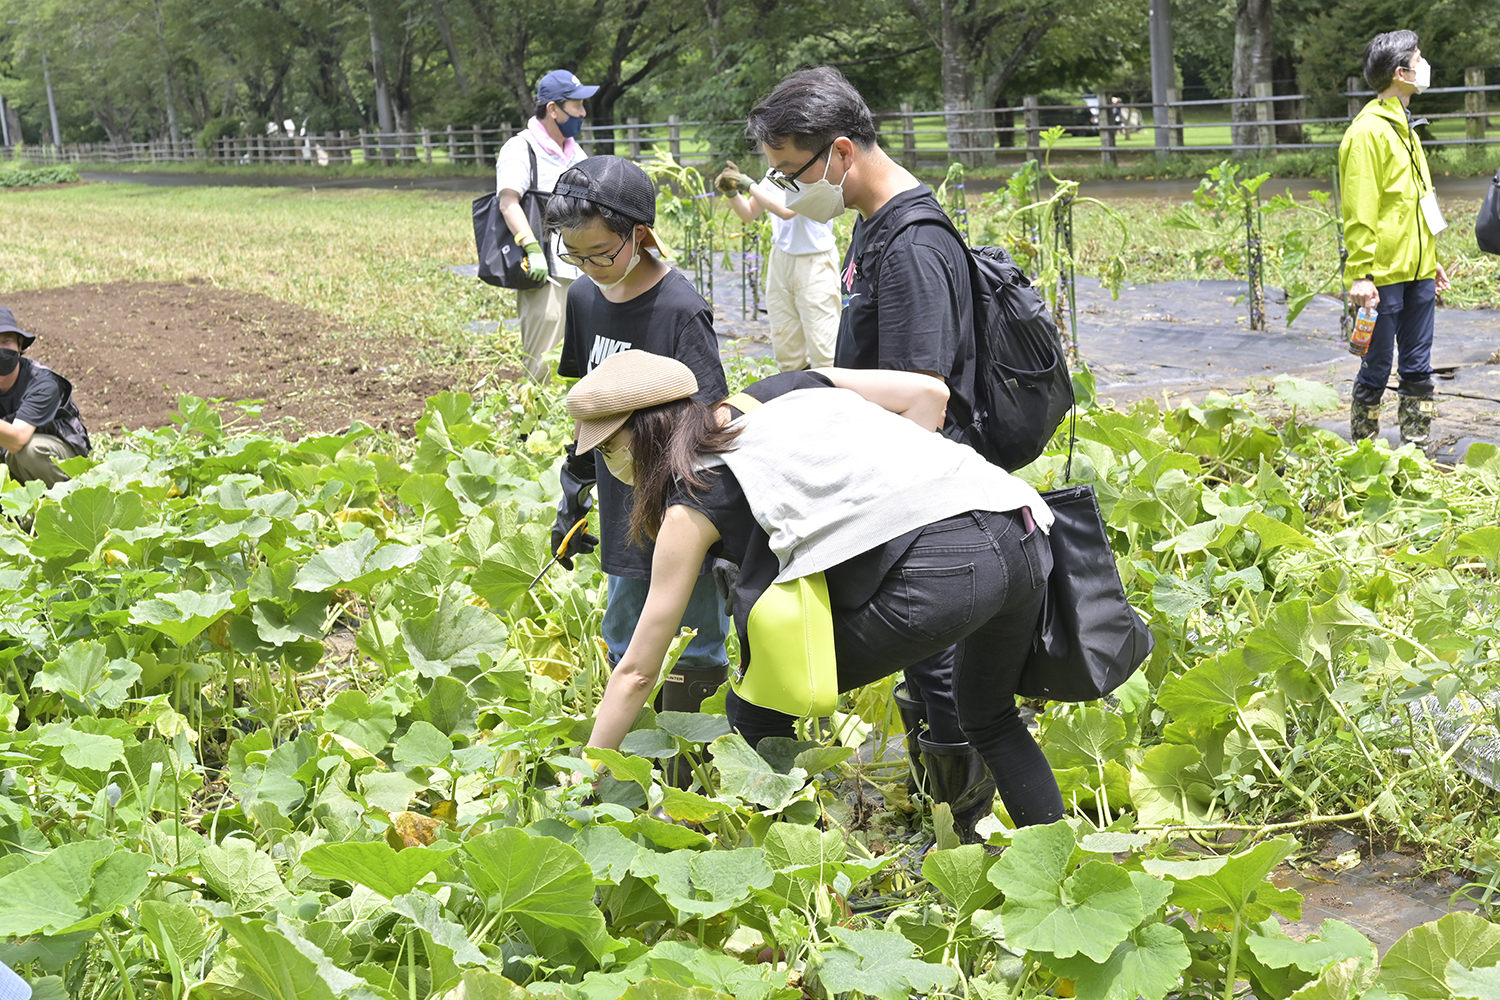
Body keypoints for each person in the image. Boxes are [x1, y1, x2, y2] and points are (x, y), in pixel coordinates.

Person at [572, 350, 1064, 835]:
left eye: (607, 447)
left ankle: (790, 870)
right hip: (1021, 526)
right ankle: (1051, 864)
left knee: (757, 709)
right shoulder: (780, 390)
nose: (604, 461)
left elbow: (637, 672)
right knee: (990, 715)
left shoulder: (692, 502)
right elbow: (929, 394)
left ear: (645, 431)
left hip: (945, 573)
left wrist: (583, 778)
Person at [744, 66, 980, 798]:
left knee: (938, 661)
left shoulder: (910, 246)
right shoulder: (874, 226)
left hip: (922, 494)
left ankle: (959, 825)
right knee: (926, 661)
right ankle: (941, 812)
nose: (786, 190)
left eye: (792, 172)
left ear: (841, 153)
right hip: (896, 486)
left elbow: (925, 397)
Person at [546, 156, 735, 719]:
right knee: (624, 624)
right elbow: (590, 406)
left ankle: (691, 762)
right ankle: (636, 755)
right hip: (619, 498)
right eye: (572, 254)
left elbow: (712, 419)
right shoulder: (583, 299)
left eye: (601, 253)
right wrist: (574, 491)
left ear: (641, 234)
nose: (589, 267)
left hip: (681, 502)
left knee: (695, 637)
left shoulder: (679, 310)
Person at [1341, 30, 1451, 446]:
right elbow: (1361, 208)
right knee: (1377, 366)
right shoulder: (1367, 133)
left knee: (1419, 367)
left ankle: (1415, 451)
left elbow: (1418, 202)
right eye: (1418, 59)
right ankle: (1364, 453)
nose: (1424, 66)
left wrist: (1431, 255)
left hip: (1418, 270)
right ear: (1400, 72)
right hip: (1381, 275)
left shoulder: (1408, 130)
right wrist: (1361, 274)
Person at [495, 69, 597, 380]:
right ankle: (531, 426)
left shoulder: (573, 151)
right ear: (553, 109)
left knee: (578, 358)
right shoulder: (521, 148)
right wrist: (531, 247)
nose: (582, 113)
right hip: (546, 273)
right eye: (576, 105)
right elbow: (508, 201)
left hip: (579, 267)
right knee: (542, 362)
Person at [714, 160, 841, 371]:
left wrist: (748, 184)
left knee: (825, 348)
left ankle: (833, 397)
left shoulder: (815, 172)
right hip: (781, 259)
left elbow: (786, 210)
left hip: (815, 262)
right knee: (786, 347)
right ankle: (794, 396)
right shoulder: (774, 174)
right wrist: (732, 193)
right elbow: (748, 213)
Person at [0, 306, 90, 486]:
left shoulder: (43, 382)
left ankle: (64, 503)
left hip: (62, 457)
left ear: (19, 345)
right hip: (10, 456)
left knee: (29, 451)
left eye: (6, 341)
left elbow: (18, 438)